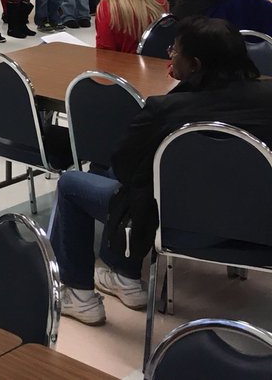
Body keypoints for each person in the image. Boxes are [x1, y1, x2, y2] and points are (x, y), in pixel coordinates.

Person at [54, 17, 272, 326]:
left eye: (175, 51)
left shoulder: (165, 110)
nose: (170, 55)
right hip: (259, 227)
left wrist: (180, 91)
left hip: (178, 226)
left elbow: (125, 167)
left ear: (195, 64)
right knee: (132, 180)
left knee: (73, 183)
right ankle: (122, 274)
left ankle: (80, 294)